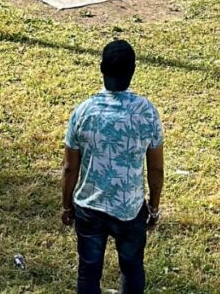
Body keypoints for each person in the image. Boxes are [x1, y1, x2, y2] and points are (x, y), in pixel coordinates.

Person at [62, 40, 164, 294]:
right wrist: (153, 206)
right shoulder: (146, 112)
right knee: (132, 267)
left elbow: (69, 168)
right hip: (130, 208)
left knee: (88, 271)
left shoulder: (83, 112)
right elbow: (156, 170)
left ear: (101, 68)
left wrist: (66, 205)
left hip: (89, 207)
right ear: (133, 71)